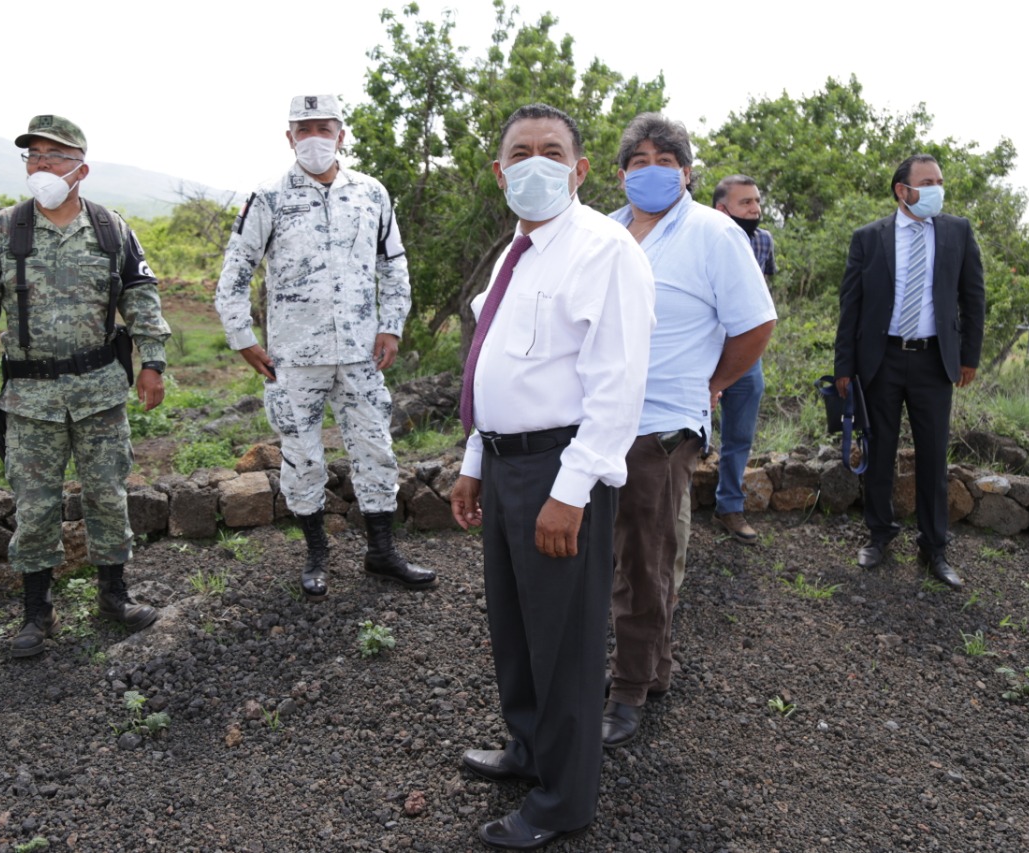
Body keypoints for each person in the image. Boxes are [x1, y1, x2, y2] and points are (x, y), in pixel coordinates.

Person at [449, 103, 654, 850]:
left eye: (552, 150)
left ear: (580, 167)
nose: (536, 163)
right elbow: (490, 368)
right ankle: (531, 749)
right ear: (500, 170)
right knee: (516, 626)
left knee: (564, 641)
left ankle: (563, 801)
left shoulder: (604, 249)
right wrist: (475, 461)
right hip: (505, 464)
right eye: (520, 152)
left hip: (559, 468)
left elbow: (617, 384)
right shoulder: (516, 251)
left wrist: (571, 492)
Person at [0, 115, 170, 657]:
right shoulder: (4, 229)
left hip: (99, 393)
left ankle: (114, 596)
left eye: (53, 156)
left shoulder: (111, 228)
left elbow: (140, 297)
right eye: (32, 156)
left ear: (81, 168)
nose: (40, 165)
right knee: (35, 506)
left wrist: (154, 362)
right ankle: (36, 612)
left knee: (107, 496)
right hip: (29, 401)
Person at [215, 94, 434, 601]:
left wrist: (392, 326)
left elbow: (393, 265)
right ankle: (316, 554)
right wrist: (243, 338)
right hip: (293, 358)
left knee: (376, 451)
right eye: (304, 128)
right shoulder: (268, 197)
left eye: (325, 127)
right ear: (289, 137)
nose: (315, 137)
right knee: (302, 458)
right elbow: (236, 272)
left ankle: (382, 553)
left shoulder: (372, 194)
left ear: (341, 133)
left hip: (360, 352)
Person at [602, 117, 775, 748]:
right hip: (598, 417)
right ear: (622, 174)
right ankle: (653, 668)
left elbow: (755, 325)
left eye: (666, 157)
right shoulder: (605, 231)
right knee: (619, 551)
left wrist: (711, 385)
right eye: (639, 159)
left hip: (663, 422)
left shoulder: (713, 233)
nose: (652, 167)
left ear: (687, 171)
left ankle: (627, 691)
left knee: (644, 557)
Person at [834, 153, 985, 590]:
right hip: (880, 359)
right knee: (878, 452)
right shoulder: (869, 237)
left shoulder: (957, 231)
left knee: (933, 455)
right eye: (928, 181)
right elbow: (852, 306)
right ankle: (879, 536)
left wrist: (968, 357)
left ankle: (934, 548)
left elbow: (973, 298)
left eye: (940, 180)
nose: (938, 188)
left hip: (934, 361)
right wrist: (844, 365)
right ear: (903, 190)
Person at [710, 174, 776, 544]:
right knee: (688, 436)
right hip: (701, 350)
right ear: (722, 209)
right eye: (745, 203)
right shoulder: (703, 238)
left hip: (745, 354)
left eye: (756, 201)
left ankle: (729, 507)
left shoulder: (763, 241)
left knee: (739, 433)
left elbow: (761, 294)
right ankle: (674, 509)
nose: (755, 209)